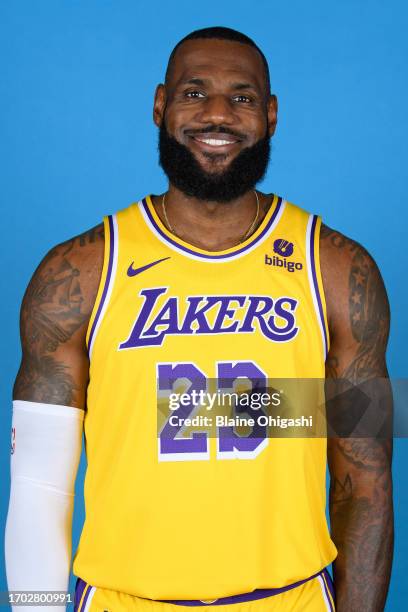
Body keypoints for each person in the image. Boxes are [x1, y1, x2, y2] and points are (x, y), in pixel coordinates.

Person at [5, 26, 393, 612]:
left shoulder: (338, 269)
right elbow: (39, 484)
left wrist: (223, 406)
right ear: (160, 105)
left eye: (241, 97)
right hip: (120, 599)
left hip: (293, 599)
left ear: (271, 114)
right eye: (194, 93)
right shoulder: (78, 272)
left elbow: (366, 482)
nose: (217, 115)